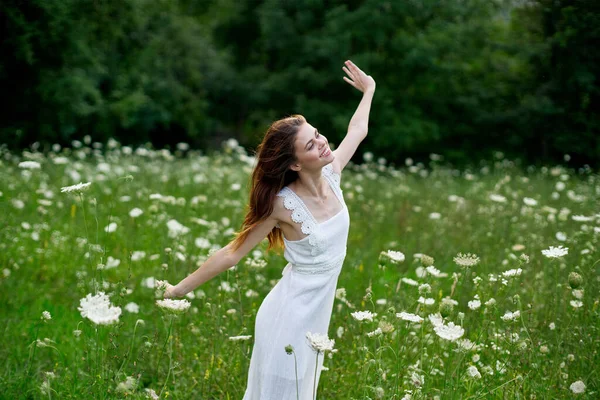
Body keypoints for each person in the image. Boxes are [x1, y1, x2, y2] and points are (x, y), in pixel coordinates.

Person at [163, 60, 375, 399]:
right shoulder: (282, 204)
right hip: (288, 318)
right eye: (310, 145)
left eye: (317, 135)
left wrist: (369, 90)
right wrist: (178, 290)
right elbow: (233, 253)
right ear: (293, 164)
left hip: (317, 319)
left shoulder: (333, 171)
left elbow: (358, 130)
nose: (322, 143)